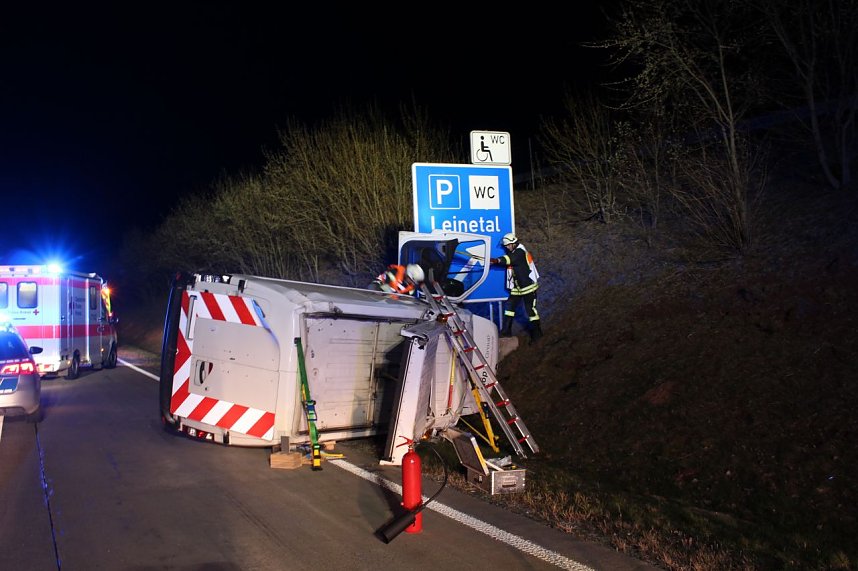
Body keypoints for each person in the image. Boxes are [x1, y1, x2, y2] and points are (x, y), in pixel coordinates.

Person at [489, 232, 542, 343]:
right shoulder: (515, 251)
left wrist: (497, 260)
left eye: (508, 245)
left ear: (514, 243)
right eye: (506, 246)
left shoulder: (520, 252)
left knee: (531, 311)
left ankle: (537, 335)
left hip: (528, 287)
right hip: (517, 288)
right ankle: (506, 333)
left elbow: (509, 259)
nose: (507, 247)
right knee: (509, 309)